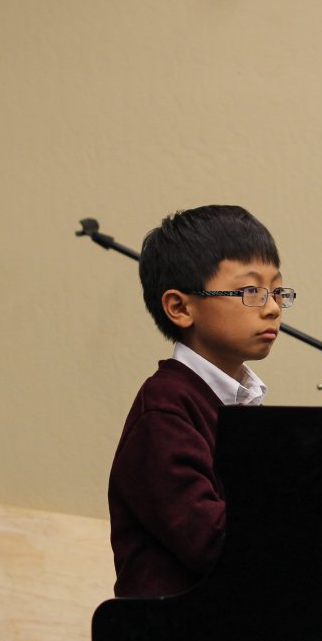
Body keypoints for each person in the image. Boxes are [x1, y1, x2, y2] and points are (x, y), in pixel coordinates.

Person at [108, 204, 292, 597]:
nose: (273, 307)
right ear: (180, 308)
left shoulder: (238, 405)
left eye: (277, 291)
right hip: (174, 628)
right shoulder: (165, 410)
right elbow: (213, 542)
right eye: (251, 292)